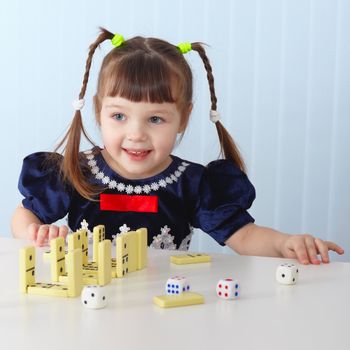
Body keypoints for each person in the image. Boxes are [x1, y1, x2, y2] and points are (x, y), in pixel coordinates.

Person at [11, 27, 344, 265]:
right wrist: (36, 232)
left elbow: (244, 236)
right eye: (119, 116)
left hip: (166, 305)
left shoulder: (194, 184)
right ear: (99, 110)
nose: (136, 134)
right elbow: (23, 214)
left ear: (183, 118)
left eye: (155, 119)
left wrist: (286, 243)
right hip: (88, 302)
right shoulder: (76, 172)